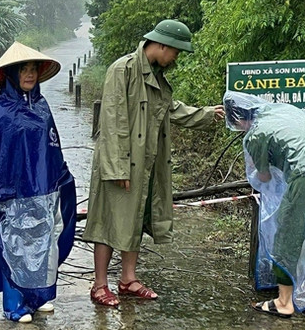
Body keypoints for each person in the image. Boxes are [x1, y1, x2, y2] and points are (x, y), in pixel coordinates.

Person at [84, 19, 225, 307]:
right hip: (120, 163)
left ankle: (128, 280)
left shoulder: (157, 77)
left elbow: (171, 110)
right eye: (175, 52)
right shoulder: (122, 70)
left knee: (134, 218)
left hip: (146, 163)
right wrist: (117, 168)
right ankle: (100, 285)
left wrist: (208, 114)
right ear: (161, 45)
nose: (176, 58)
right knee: (109, 221)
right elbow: (112, 121)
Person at [0, 42, 77, 324]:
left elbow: (52, 147)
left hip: (42, 190)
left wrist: (61, 178)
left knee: (42, 241)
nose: (30, 75)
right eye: (24, 70)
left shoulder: (43, 107)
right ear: (11, 74)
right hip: (10, 194)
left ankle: (39, 295)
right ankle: (13, 304)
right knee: (13, 245)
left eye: (33, 69)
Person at [223, 91, 305, 321]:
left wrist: (261, 165)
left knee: (286, 236)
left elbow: (262, 177)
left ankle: (284, 302)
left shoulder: (255, 134)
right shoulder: (286, 112)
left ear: (239, 121)